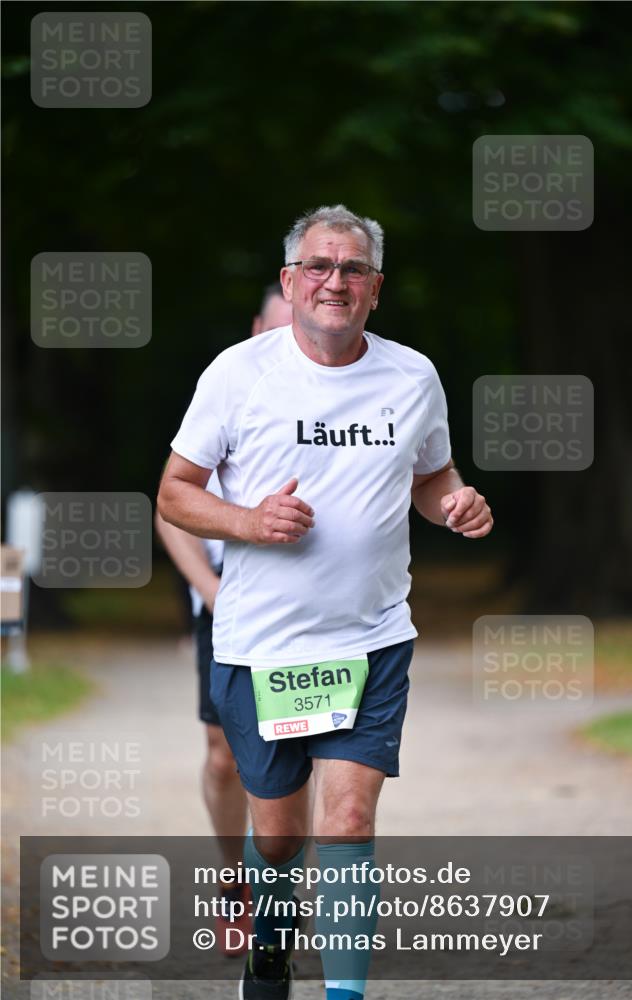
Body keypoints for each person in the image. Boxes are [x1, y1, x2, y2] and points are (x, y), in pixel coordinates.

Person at [157, 205, 493, 999]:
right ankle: (266, 962)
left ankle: (345, 995)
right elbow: (174, 493)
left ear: (375, 289)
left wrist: (454, 503)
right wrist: (246, 521)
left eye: (350, 270)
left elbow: (430, 476)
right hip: (262, 646)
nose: (333, 281)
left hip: (370, 638)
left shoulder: (412, 376)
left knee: (345, 824)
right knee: (278, 839)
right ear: (289, 281)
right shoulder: (237, 373)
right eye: (317, 266)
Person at [154, 282, 292, 955]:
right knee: (223, 756)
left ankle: (280, 890)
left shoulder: (343, 391)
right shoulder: (231, 384)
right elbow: (170, 505)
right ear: (257, 325)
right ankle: (234, 883)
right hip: (229, 604)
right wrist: (209, 587)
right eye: (281, 326)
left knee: (300, 750)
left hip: (305, 610)